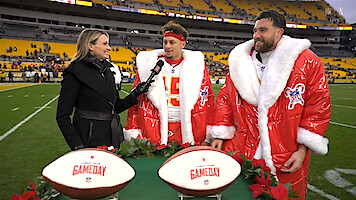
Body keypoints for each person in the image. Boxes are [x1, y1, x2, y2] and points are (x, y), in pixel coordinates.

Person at [208, 10, 330, 199]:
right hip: (241, 150)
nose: (256, 35)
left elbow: (317, 107)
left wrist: (303, 149)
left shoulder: (307, 62)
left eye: (263, 30)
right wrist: (220, 134)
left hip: (285, 154)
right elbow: (226, 99)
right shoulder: (239, 62)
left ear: (279, 32)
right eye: (255, 30)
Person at [56, 29, 151, 151]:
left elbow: (115, 107)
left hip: (111, 137)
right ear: (91, 46)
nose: (109, 48)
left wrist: (136, 93)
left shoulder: (107, 71)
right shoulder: (75, 72)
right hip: (88, 141)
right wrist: (77, 146)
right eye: (105, 44)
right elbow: (62, 116)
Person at [124, 21, 215, 146]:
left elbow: (208, 99)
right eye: (165, 42)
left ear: (182, 44)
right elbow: (136, 100)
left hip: (186, 126)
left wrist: (208, 134)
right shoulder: (149, 67)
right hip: (155, 126)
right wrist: (134, 130)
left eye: (172, 42)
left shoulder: (196, 67)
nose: (167, 46)